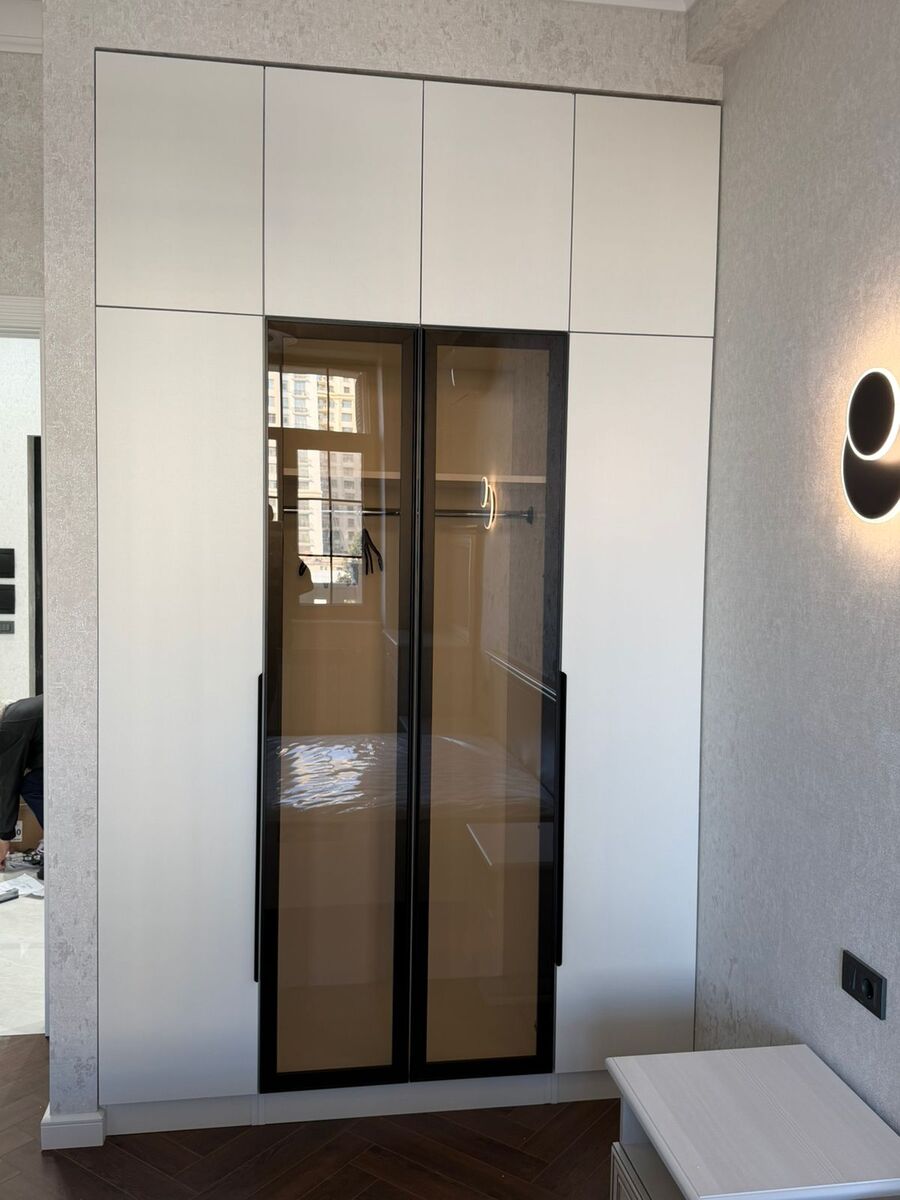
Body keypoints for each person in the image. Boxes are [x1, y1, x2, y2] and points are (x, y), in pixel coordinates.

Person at [0, 695, 44, 875]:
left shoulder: (9, 726)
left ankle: (62, 846)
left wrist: (4, 838)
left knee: (32, 787)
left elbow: (8, 782)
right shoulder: (18, 712)